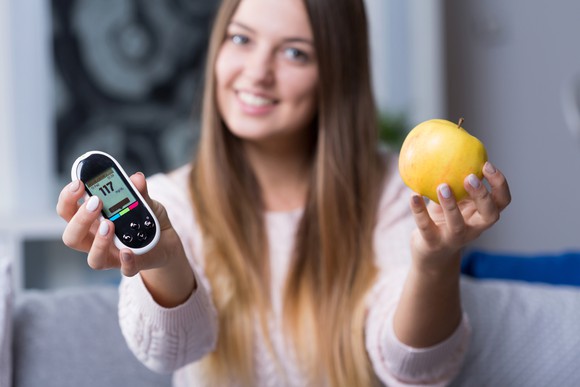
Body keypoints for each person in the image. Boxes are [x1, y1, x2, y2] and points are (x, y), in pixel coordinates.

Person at [56, 0, 511, 385]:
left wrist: (435, 261)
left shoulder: (393, 193)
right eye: (241, 39)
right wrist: (163, 259)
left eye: (294, 53)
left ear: (337, 74)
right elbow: (172, 352)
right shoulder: (166, 202)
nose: (256, 73)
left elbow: (418, 370)